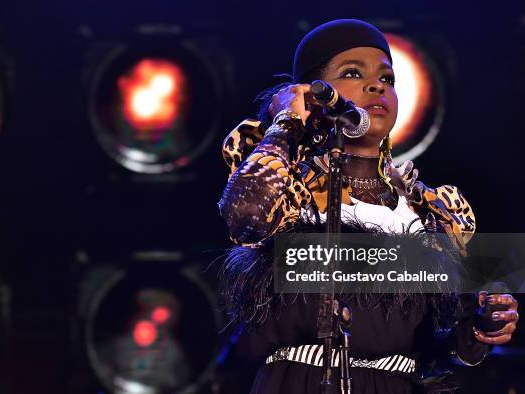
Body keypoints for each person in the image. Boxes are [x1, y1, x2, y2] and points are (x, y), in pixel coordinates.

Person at [217, 19, 519, 393]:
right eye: (352, 73)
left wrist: (480, 326)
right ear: (313, 94)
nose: (377, 85)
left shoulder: (424, 210)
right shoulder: (290, 190)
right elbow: (246, 217)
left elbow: (435, 342)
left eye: (387, 79)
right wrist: (287, 121)